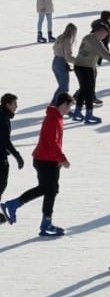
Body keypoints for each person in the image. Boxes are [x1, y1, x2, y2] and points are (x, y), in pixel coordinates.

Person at [1, 92, 73, 235]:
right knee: (48, 189)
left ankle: (45, 222)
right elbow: (52, 142)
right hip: (46, 160)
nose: (70, 109)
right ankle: (15, 206)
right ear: (64, 104)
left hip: (47, 159)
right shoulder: (53, 119)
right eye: (69, 106)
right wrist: (62, 159)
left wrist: (58, 159)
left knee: (50, 190)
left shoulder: (56, 117)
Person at [71, 21, 110, 124]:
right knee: (89, 91)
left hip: (80, 66)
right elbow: (105, 54)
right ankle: (88, 115)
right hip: (85, 68)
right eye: (105, 34)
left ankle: (77, 112)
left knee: (83, 89)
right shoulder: (95, 42)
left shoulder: (87, 37)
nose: (105, 36)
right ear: (99, 31)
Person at [0, 93, 24, 223]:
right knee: (1, 183)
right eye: (14, 104)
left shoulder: (3, 115)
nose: (16, 106)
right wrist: (17, 156)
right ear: (7, 105)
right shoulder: (2, 117)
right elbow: (5, 140)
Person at [51, 23, 77, 104]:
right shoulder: (67, 40)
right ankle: (55, 104)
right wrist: (79, 61)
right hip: (61, 63)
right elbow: (68, 56)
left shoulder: (60, 37)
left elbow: (53, 48)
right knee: (64, 87)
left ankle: (57, 104)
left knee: (62, 86)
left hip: (55, 61)